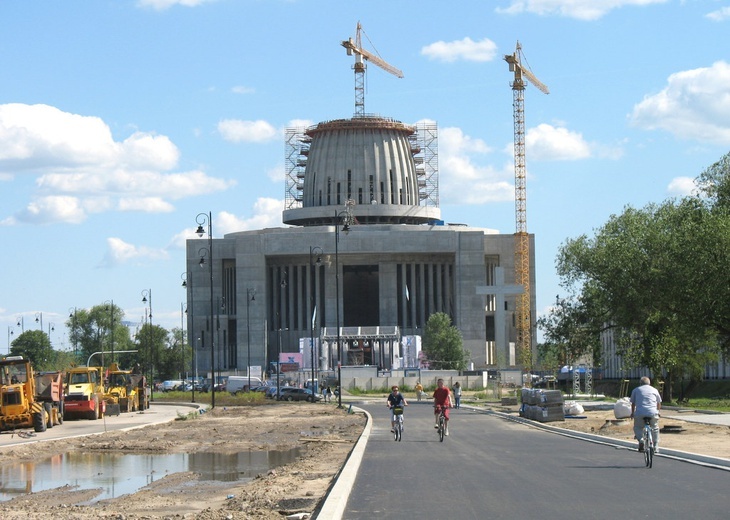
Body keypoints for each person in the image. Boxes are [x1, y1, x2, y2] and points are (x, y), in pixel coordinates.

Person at [630, 376, 662, 453]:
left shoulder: (636, 390)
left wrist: (632, 413)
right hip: (652, 412)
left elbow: (633, 403)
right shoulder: (654, 390)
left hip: (640, 413)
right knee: (655, 428)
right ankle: (656, 446)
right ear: (649, 383)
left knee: (637, 427)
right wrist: (658, 412)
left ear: (640, 383)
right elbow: (659, 403)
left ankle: (641, 440)